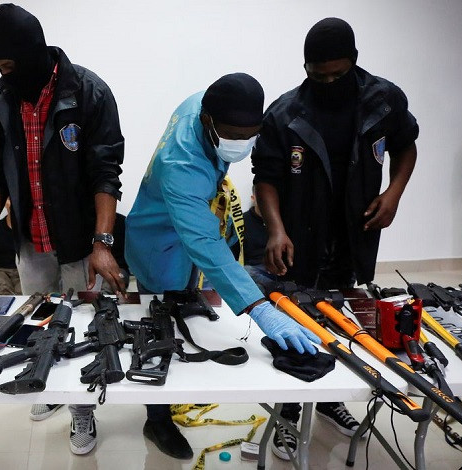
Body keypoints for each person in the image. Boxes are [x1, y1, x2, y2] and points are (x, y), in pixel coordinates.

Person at [126, 73, 320, 460]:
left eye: (249, 134)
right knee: (159, 330)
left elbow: (202, 236)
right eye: (232, 134)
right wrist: (260, 308)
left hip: (191, 219)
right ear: (208, 122)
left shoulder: (205, 101)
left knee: (192, 318)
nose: (241, 143)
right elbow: (203, 243)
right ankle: (157, 419)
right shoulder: (181, 162)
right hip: (159, 240)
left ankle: (176, 393)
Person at [0, 4, 125, 456]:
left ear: (32, 52)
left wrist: (102, 243)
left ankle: (82, 412)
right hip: (30, 242)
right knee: (42, 322)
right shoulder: (2, 103)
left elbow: (106, 173)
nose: (2, 75)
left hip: (78, 243)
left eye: (8, 65)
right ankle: (48, 384)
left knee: (84, 327)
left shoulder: (88, 92)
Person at [251, 18, 419, 460]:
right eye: (317, 73)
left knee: (342, 320)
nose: (327, 82)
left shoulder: (384, 100)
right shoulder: (285, 113)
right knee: (296, 324)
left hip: (354, 232)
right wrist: (276, 229)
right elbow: (265, 177)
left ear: (355, 62)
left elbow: (406, 145)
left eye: (337, 74)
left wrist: (393, 194)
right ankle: (288, 412)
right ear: (305, 66)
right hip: (299, 236)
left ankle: (327, 399)